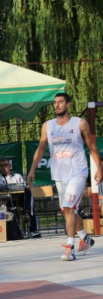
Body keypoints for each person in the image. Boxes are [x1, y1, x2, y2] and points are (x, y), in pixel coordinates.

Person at [27, 93, 102, 260]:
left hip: (78, 172)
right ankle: (85, 237)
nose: (57, 105)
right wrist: (32, 169)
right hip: (59, 175)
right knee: (69, 210)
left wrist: (99, 168)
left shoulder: (80, 123)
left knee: (68, 207)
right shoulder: (48, 126)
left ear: (68, 104)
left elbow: (92, 146)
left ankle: (70, 247)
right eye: (55, 103)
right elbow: (40, 149)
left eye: (60, 102)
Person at [0, 158, 41, 238]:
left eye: (6, 165)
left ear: (10, 166)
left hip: (20, 199)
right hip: (7, 201)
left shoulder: (17, 176)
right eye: (2, 165)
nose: (4, 167)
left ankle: (27, 214)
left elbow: (23, 187)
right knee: (28, 199)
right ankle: (27, 214)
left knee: (28, 192)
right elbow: (1, 189)